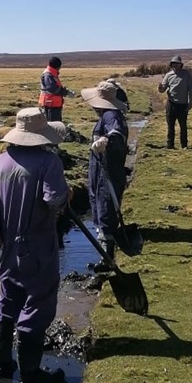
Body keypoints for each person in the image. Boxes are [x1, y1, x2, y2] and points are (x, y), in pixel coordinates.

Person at [0, 107, 71, 383]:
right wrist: (66, 195)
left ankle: (4, 367)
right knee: (37, 305)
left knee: (8, 300)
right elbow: (54, 200)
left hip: (6, 249)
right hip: (38, 249)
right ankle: (30, 372)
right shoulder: (48, 162)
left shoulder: (0, 162)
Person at [81, 81, 129, 267]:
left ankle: (107, 257)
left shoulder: (111, 115)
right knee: (101, 204)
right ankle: (105, 253)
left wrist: (105, 139)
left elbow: (116, 133)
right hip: (102, 168)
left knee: (105, 206)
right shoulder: (108, 114)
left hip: (107, 170)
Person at [157, 55, 192, 149]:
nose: (175, 65)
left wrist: (191, 102)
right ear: (171, 64)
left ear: (180, 64)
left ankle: (184, 145)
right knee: (170, 126)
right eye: (173, 63)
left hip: (183, 104)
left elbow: (190, 89)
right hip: (171, 104)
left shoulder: (186, 74)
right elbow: (162, 89)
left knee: (183, 126)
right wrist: (160, 88)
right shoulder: (168, 75)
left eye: (177, 63)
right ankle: (170, 145)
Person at [38, 56, 74, 122]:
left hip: (53, 104)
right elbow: (53, 89)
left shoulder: (51, 74)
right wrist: (66, 92)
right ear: (57, 66)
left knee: (55, 124)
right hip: (50, 105)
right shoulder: (48, 75)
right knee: (53, 125)